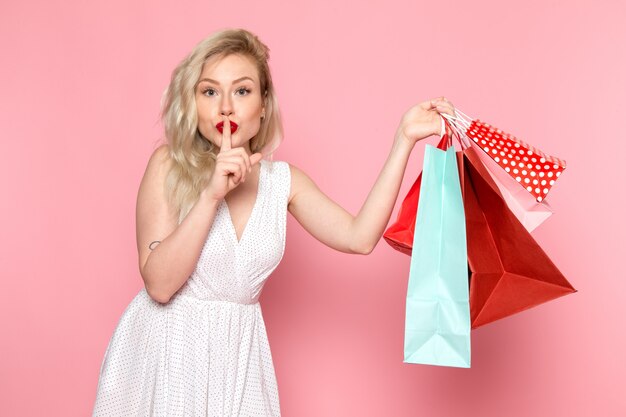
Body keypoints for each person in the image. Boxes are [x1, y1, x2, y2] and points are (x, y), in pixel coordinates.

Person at [92, 28, 455, 416]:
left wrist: (404, 139)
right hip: (166, 355)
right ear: (193, 102)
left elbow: (359, 237)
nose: (226, 107)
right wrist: (211, 194)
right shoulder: (168, 165)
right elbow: (160, 286)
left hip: (240, 360)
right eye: (210, 91)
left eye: (242, 91)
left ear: (264, 105)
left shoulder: (283, 183)